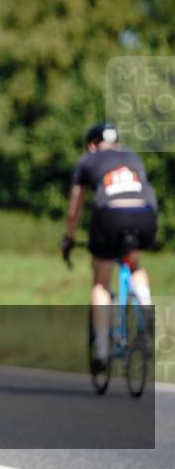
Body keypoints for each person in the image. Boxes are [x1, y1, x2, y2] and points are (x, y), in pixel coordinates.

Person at [61, 122, 158, 369]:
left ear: (92, 145)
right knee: (134, 263)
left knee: (101, 282)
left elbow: (75, 209)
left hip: (110, 216)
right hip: (145, 215)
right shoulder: (132, 156)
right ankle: (144, 300)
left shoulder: (88, 160)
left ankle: (102, 349)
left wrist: (69, 238)